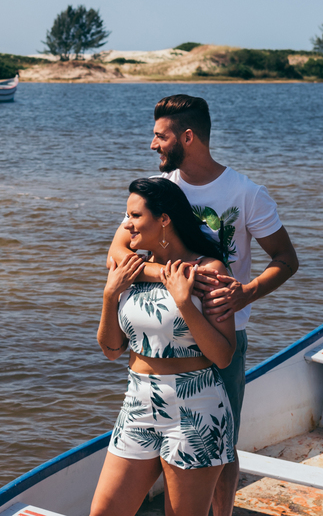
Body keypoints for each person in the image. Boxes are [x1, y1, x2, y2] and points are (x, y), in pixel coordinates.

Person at [106, 95, 299, 516]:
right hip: (159, 331)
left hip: (220, 332)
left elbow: (286, 260)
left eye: (160, 136)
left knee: (223, 447)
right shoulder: (158, 192)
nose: (153, 145)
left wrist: (246, 292)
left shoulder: (247, 194)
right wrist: (181, 279)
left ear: (187, 137)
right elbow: (117, 257)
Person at [92, 177, 236, 516]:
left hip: (195, 408)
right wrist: (110, 295)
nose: (126, 224)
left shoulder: (209, 271)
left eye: (135, 216)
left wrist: (185, 302)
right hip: (138, 402)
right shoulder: (131, 268)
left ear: (164, 220)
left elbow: (224, 356)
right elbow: (112, 350)